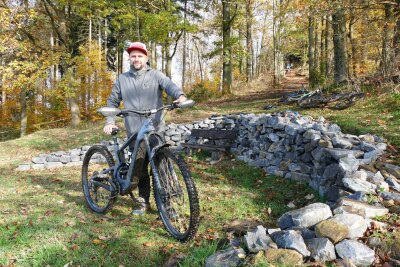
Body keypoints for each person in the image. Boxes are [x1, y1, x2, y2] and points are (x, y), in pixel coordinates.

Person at [103, 41, 187, 215]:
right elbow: (112, 102)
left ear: (146, 57)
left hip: (155, 130)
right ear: (130, 58)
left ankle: (169, 204)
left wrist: (180, 95)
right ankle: (143, 202)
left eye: (139, 56)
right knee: (139, 168)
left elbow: (169, 85)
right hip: (134, 132)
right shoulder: (122, 79)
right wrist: (110, 121)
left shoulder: (156, 75)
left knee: (162, 164)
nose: (136, 59)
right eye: (133, 56)